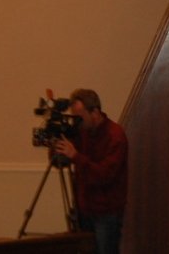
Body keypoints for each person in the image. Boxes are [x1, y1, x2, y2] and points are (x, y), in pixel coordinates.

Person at [53, 89, 128, 254]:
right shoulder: (82, 132)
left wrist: (75, 155)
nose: (77, 122)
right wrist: (57, 144)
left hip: (106, 213)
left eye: (79, 117)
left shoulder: (115, 135)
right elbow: (60, 162)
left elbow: (104, 175)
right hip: (84, 210)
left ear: (95, 112)